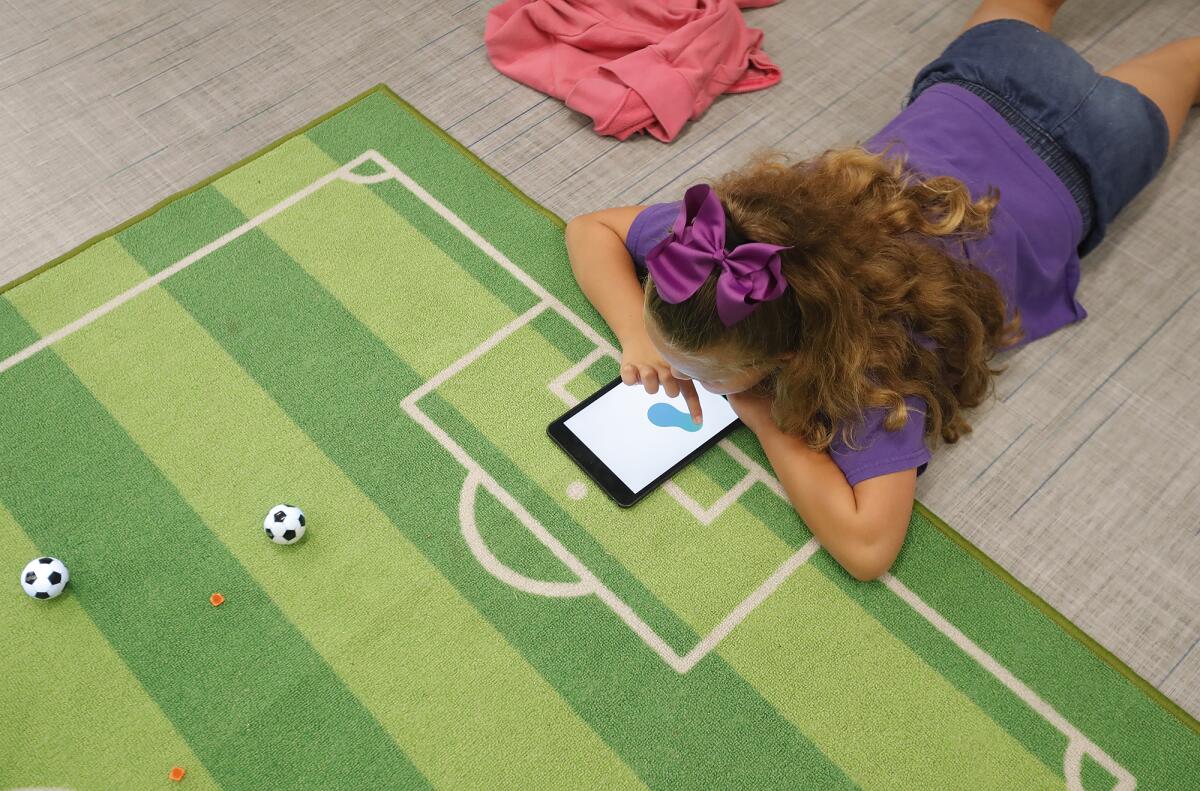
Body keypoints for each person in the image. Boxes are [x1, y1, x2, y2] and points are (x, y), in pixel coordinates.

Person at [563, 0, 1197, 581]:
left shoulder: (875, 366)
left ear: (785, 361)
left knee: (1187, 63)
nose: (677, 371)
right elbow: (590, 230)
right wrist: (632, 331)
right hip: (990, 71)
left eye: (705, 373)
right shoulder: (741, 237)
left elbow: (869, 549)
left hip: (1094, 154)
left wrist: (760, 416)